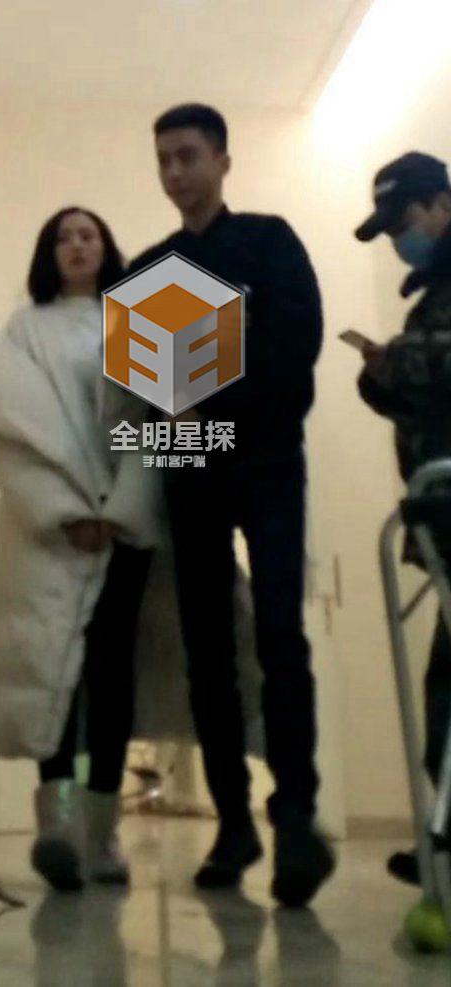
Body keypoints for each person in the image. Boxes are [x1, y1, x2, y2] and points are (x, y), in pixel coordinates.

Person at [128, 103, 335, 906]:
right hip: (191, 468)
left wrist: (204, 388)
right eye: (163, 159)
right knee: (206, 648)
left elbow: (295, 349)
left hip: (270, 458)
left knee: (279, 634)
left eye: (187, 155)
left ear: (222, 159)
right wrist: (186, 405)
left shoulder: (269, 241)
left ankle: (297, 816)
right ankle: (234, 823)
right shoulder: (149, 267)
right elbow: (149, 390)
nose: (175, 171)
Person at [0, 207, 160, 891]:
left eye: (88, 234)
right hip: (47, 531)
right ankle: (58, 827)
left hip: (124, 528)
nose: (76, 245)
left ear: (107, 247)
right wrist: (65, 510)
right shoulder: (18, 337)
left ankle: (102, 836)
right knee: (52, 669)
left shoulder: (141, 324)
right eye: (62, 237)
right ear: (48, 253)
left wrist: (120, 510)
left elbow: (160, 427)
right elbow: (7, 438)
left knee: (111, 672)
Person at [355, 151, 451, 886]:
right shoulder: (433, 293)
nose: (399, 239)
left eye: (405, 221)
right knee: (444, 688)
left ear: (443, 203)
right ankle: (444, 843)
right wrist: (381, 378)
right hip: (440, 513)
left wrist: (399, 361)